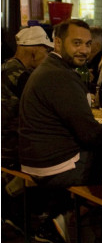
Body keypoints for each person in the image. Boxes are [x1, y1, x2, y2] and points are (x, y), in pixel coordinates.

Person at [19, 19, 102, 243]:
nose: (84, 50)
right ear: (58, 43)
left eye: (88, 44)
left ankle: (60, 216)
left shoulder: (51, 69)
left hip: (38, 159)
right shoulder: (60, 75)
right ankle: (65, 218)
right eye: (77, 43)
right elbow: (89, 134)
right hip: (52, 166)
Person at [2, 26, 54, 167]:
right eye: (46, 51)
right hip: (10, 149)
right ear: (34, 51)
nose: (47, 56)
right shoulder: (19, 75)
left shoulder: (7, 67)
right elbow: (47, 102)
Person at [86, 26, 102, 94]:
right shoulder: (88, 61)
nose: (84, 46)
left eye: (88, 43)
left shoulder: (101, 64)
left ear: (97, 45)